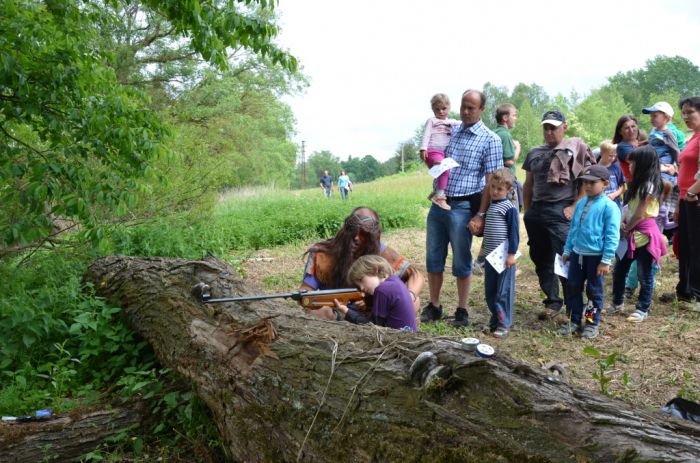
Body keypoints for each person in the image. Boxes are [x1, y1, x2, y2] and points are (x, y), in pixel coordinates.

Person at [421, 89, 503, 327]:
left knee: (461, 260)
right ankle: (434, 305)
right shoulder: (453, 130)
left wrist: (481, 215)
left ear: (482, 110)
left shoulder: (490, 139)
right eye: (463, 106)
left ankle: (462, 310)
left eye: (471, 108)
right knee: (433, 257)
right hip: (440, 204)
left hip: (464, 206)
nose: (466, 112)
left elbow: (491, 182)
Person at [522, 110, 594, 320]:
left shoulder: (574, 150)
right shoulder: (534, 152)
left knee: (565, 259)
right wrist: (527, 211)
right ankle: (552, 301)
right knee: (541, 258)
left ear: (565, 126)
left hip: (560, 210)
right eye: (546, 127)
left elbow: (584, 182)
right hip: (537, 210)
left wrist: (574, 205)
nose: (549, 131)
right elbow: (528, 184)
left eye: (553, 127)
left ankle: (575, 308)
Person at [301, 206, 424, 321]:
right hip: (334, 313)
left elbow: (416, 275)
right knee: (317, 312)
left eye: (364, 234)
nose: (356, 238)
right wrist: (318, 302)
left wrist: (409, 296)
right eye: (353, 231)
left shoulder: (383, 253)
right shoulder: (323, 253)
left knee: (413, 302)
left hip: (374, 315)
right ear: (345, 231)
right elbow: (305, 290)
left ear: (373, 237)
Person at [559, 165, 621, 339]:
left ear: (605, 184)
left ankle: (592, 323)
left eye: (592, 183)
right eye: (585, 182)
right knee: (573, 287)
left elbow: (612, 235)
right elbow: (573, 229)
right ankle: (574, 320)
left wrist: (606, 259)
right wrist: (568, 249)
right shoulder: (581, 203)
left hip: (596, 258)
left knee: (594, 291)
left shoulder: (609, 207)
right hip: (578, 255)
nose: (587, 186)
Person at [608, 146, 667, 323]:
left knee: (645, 274)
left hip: (645, 236)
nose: (630, 167)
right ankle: (617, 303)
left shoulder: (649, 185)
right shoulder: (635, 185)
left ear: (642, 165)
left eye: (632, 163)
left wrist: (626, 228)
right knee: (619, 270)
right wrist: (622, 222)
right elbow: (629, 207)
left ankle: (642, 308)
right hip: (630, 233)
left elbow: (641, 212)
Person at [481, 168, 519, 338]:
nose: (495, 192)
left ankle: (504, 324)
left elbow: (514, 233)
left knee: (502, 292)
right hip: (491, 257)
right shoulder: (491, 207)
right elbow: (489, 232)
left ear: (508, 190)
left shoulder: (509, 208)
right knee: (490, 290)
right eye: (493, 187)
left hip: (504, 258)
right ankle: (495, 319)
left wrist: (511, 254)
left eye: (500, 189)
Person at [332, 255, 417, 331]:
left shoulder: (382, 290)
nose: (361, 288)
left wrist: (346, 311)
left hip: (396, 342)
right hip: (409, 337)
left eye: (361, 280)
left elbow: (373, 328)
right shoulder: (395, 281)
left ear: (375, 270)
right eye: (358, 285)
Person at [674, 96, 700, 310]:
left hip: (696, 199)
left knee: (696, 246)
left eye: (690, 112)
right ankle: (686, 289)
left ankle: (697, 294)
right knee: (685, 246)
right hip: (685, 199)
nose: (685, 116)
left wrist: (692, 193)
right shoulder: (693, 138)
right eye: (683, 112)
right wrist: (679, 202)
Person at [419, 93, 462, 210]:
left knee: (443, 173)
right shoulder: (432, 121)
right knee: (444, 168)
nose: (441, 112)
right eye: (437, 109)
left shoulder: (451, 122)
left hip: (442, 153)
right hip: (432, 151)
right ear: (433, 110)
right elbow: (426, 135)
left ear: (449, 108)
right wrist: (423, 148)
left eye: (444, 109)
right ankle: (440, 198)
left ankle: (435, 193)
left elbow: (462, 123)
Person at [642, 101, 680, 185]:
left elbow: (675, 150)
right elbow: (652, 141)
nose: (651, 119)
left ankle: (673, 183)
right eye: (651, 116)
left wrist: (679, 168)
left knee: (661, 180)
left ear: (666, 117)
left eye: (655, 116)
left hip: (663, 160)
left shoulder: (668, 133)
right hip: (654, 159)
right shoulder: (654, 130)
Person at [493, 103, 522, 210]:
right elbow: (509, 162)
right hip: (506, 183)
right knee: (511, 214)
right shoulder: (505, 134)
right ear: (505, 117)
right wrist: (518, 148)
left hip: (496, 183)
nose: (516, 118)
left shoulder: (494, 132)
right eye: (514, 115)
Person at [612, 115, 641, 183]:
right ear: (620, 131)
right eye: (627, 128)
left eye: (633, 126)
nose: (631, 130)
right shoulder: (622, 147)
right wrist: (665, 168)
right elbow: (639, 162)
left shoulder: (642, 143)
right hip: (633, 185)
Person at [598, 140, 625, 210]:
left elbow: (623, 186)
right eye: (610, 155)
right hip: (600, 205)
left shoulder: (617, 167)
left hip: (615, 204)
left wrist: (614, 195)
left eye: (614, 156)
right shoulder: (595, 168)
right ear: (601, 153)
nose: (613, 158)